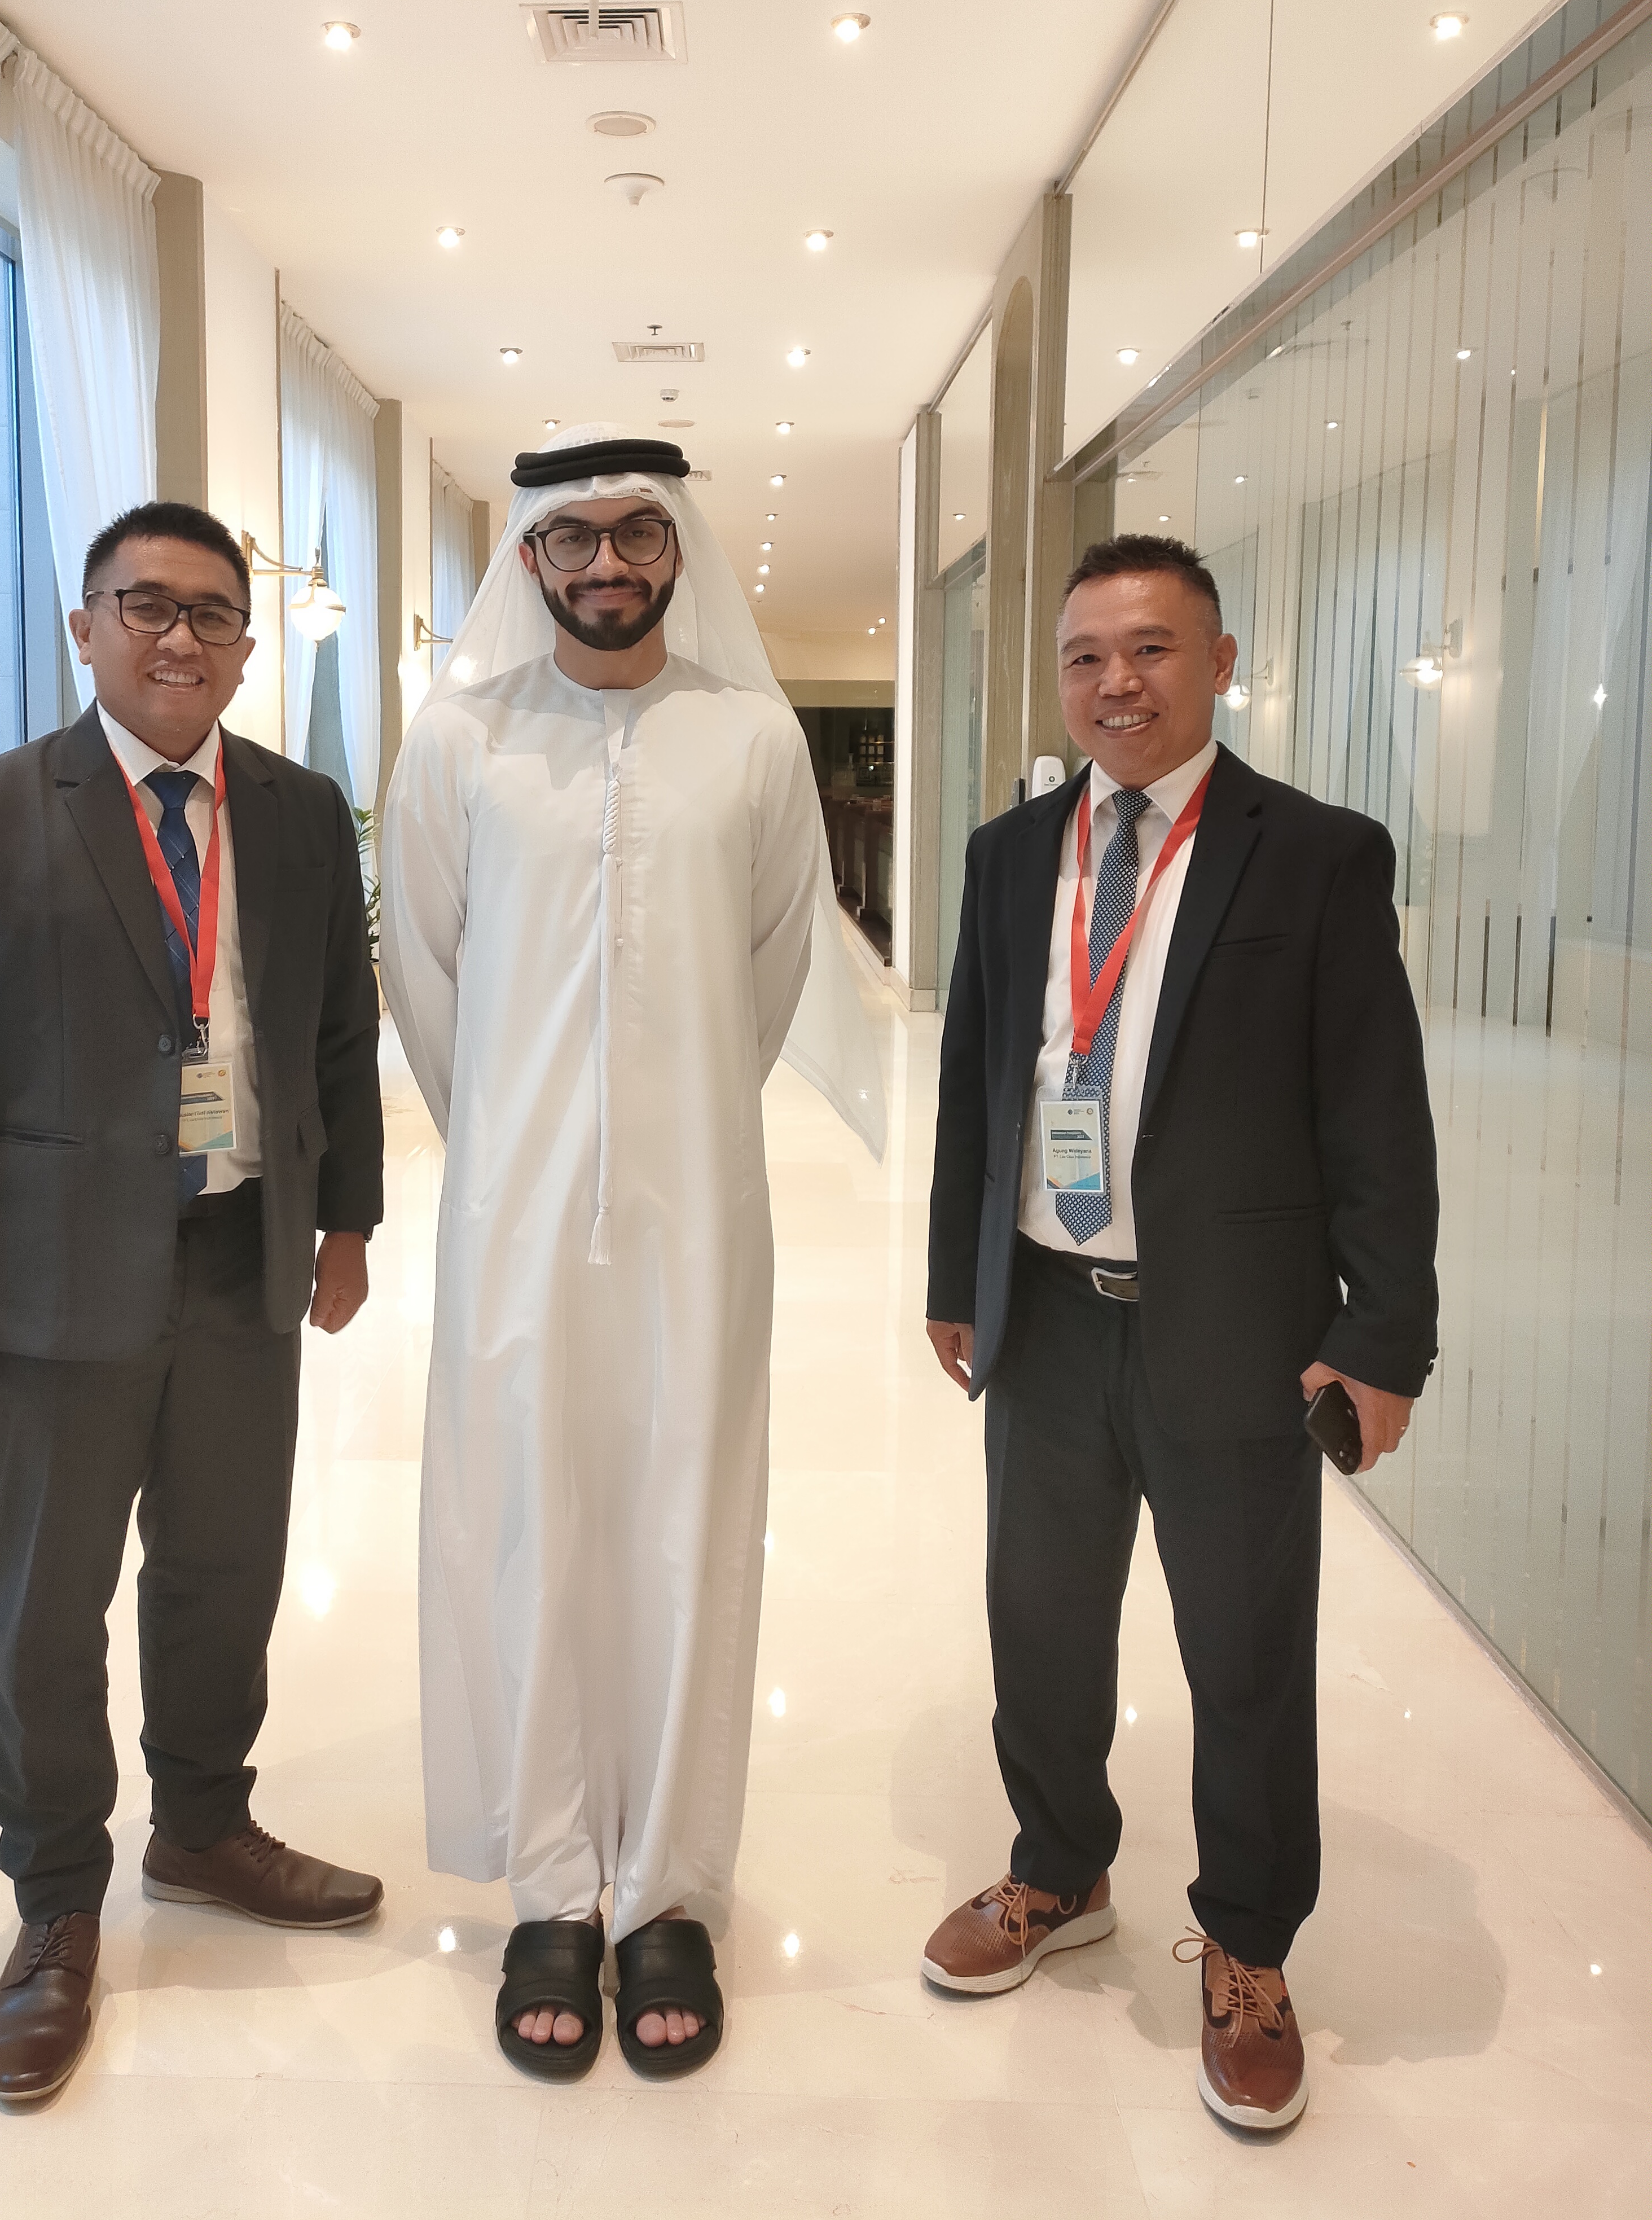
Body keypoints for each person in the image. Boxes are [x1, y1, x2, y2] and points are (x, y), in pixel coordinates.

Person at [0, 500, 385, 2109]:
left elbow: (336, 1033)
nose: (178, 637)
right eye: (144, 605)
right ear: (85, 626)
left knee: (224, 1570)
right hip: (46, 1291)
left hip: (239, 1264)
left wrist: (346, 1220)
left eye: (211, 613)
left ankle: (205, 1825)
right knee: (45, 1602)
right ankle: (56, 1901)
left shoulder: (298, 812)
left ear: (245, 645)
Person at [380, 425, 882, 2083]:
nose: (607, 564)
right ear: (528, 556)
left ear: (677, 550)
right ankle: (549, 1887)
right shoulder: (458, 739)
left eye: (637, 535)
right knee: (524, 1525)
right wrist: (520, 1151)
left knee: (688, 1527)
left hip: (696, 1215)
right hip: (512, 1221)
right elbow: (427, 977)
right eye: (574, 537)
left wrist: (669, 1125)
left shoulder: (749, 739)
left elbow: (771, 965)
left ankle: (666, 1890)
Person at [920, 533, 1438, 2133]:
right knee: (1039, 1619)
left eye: (1151, 648)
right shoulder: (1011, 854)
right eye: (1086, 655)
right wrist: (956, 1276)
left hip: (1236, 1331)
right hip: (1048, 1314)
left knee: (1244, 1647)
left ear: (1218, 663)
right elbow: (975, 1080)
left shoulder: (1316, 854)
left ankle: (1250, 1948)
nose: (1116, 682)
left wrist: (1384, 1336)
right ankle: (1057, 1867)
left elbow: (1377, 1112)